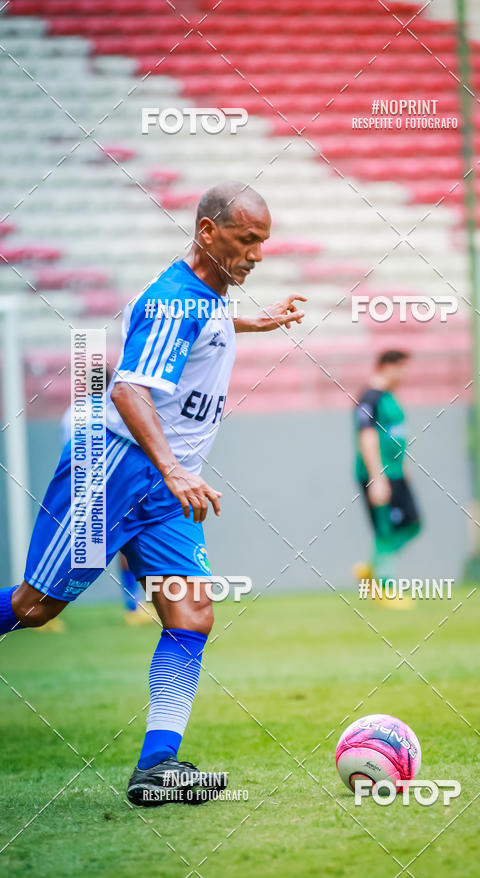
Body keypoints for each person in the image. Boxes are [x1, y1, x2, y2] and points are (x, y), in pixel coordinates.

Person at [0, 182, 306, 805]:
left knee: (191, 613)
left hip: (166, 483)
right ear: (207, 232)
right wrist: (173, 469)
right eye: (247, 240)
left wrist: (251, 322)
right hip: (117, 468)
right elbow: (128, 389)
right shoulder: (175, 299)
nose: (257, 254)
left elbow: (199, 328)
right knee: (35, 608)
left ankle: (157, 767)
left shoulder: (205, 295)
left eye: (263, 242)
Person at [59, 367, 147, 628]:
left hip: (81, 486)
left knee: (72, 549)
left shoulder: (73, 412)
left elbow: (68, 451)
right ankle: (133, 608)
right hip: (115, 486)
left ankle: (38, 607)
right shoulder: (116, 410)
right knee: (127, 543)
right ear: (111, 384)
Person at [353, 349, 421, 609]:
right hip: (379, 474)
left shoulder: (390, 396)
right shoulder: (369, 398)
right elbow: (367, 436)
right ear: (386, 367)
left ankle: (372, 569)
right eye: (402, 368)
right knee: (385, 531)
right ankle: (386, 589)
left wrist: (404, 465)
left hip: (396, 473)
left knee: (412, 524)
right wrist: (376, 476)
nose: (405, 374)